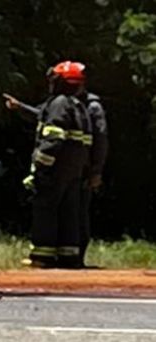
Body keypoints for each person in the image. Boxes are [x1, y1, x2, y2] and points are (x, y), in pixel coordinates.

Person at [5, 62, 93, 268]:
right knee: (68, 213)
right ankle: (68, 256)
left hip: (55, 170)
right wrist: (20, 108)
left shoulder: (60, 103)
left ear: (60, 82)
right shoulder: (76, 104)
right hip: (73, 171)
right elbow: (41, 115)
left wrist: (41, 167)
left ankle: (42, 256)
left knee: (46, 210)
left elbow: (54, 138)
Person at [76, 85, 109, 268]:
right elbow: (41, 114)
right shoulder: (62, 103)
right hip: (67, 170)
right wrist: (20, 108)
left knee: (80, 212)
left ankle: (78, 257)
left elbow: (101, 139)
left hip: (84, 171)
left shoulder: (92, 107)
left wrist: (96, 171)